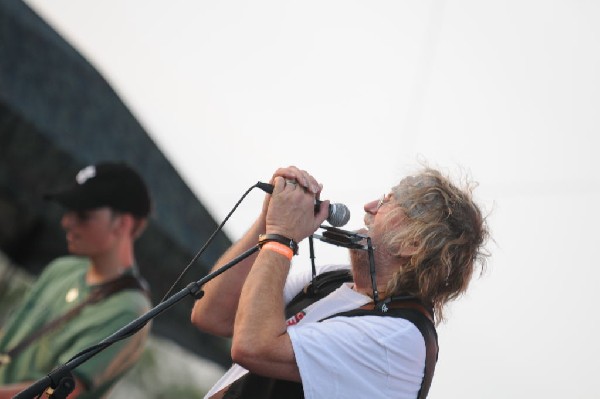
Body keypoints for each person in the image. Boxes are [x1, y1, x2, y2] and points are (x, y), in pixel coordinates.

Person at [191, 165, 489, 399]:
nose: (370, 206)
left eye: (390, 202)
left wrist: (281, 238)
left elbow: (252, 347)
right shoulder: (331, 279)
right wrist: (268, 221)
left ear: (412, 243)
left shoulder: (399, 338)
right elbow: (212, 315)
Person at [0, 162, 153, 399]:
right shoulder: (61, 269)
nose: (66, 222)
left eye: (83, 215)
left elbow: (53, 395)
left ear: (123, 223)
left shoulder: (129, 310)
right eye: (68, 211)